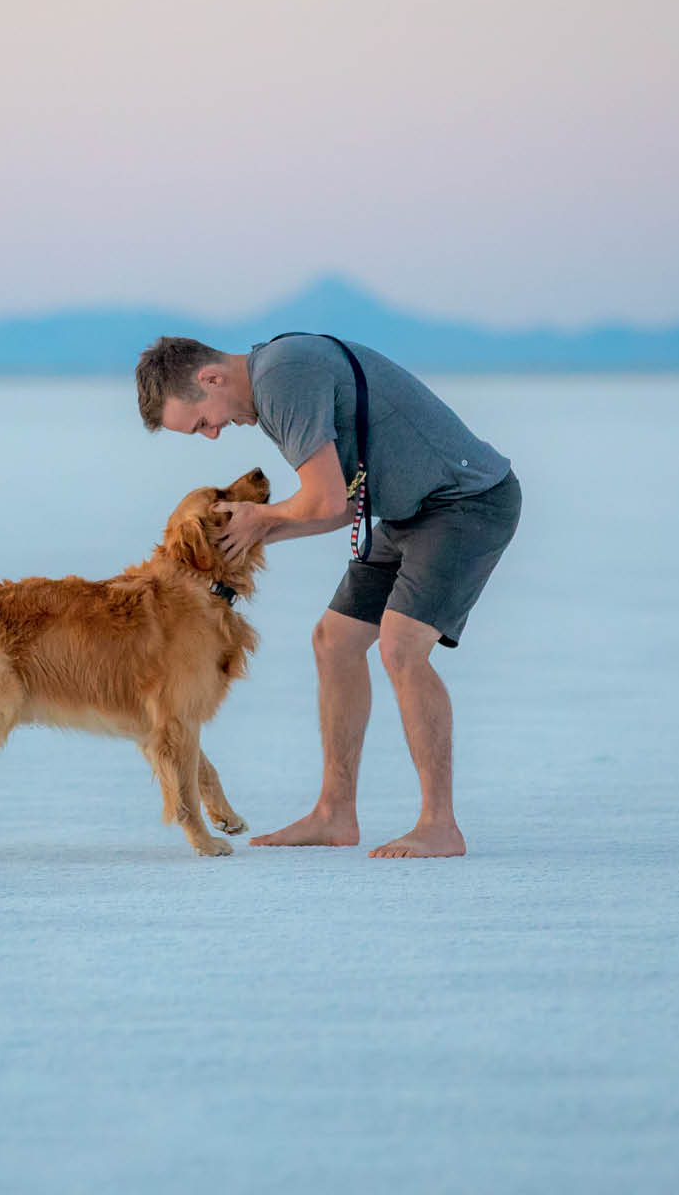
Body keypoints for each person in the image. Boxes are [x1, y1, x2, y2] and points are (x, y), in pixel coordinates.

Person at [134, 333, 521, 858]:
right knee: (333, 640)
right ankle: (334, 813)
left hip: (466, 503)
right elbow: (338, 507)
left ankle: (440, 825)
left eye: (202, 421)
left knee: (400, 647)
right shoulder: (273, 390)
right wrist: (249, 533)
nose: (213, 434)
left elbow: (323, 499)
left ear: (211, 379)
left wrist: (262, 518)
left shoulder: (282, 379)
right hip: (411, 512)